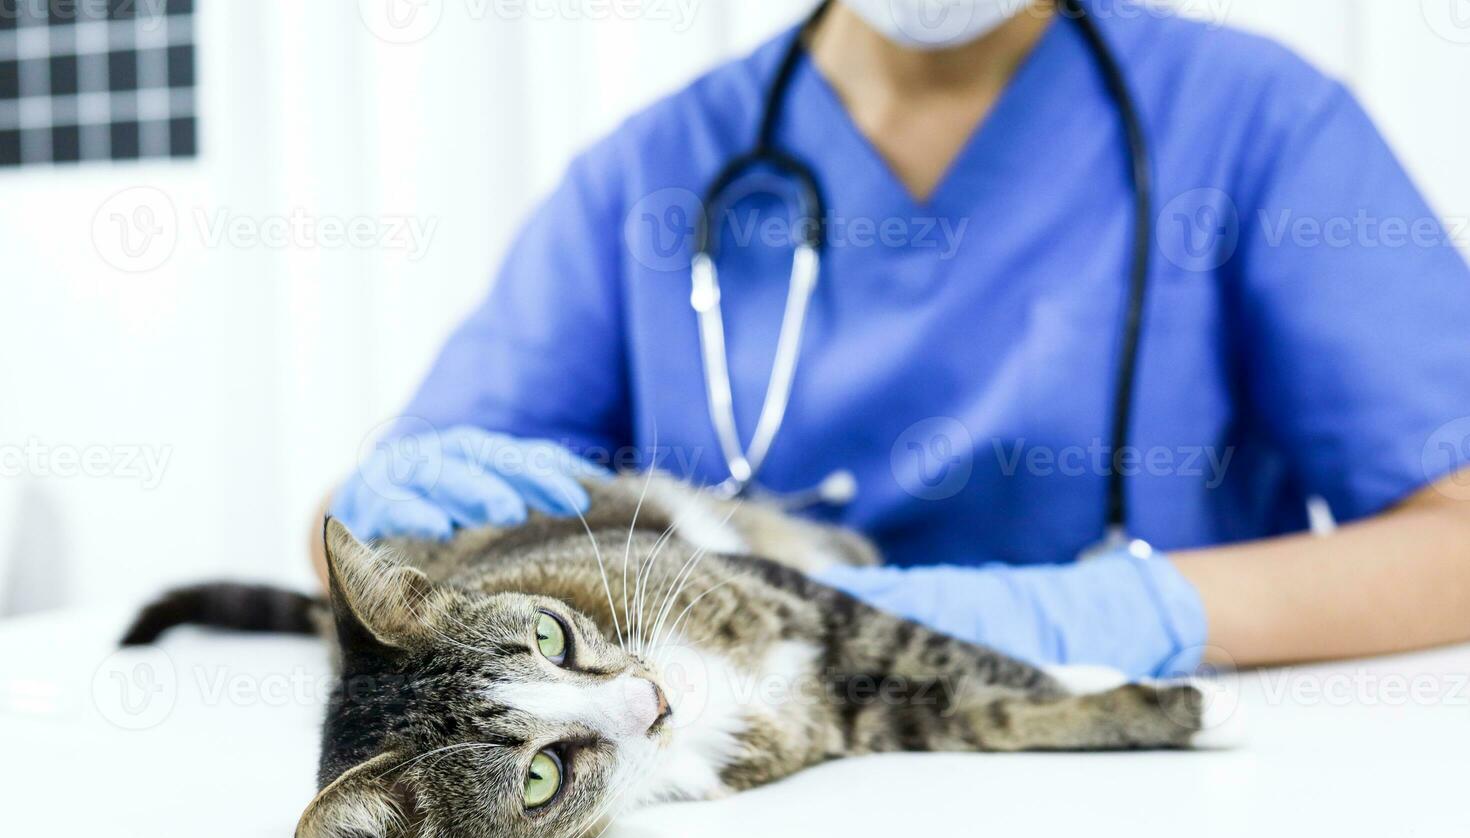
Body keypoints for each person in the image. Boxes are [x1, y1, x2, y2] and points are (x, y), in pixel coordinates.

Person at [320, 0, 1470, 679]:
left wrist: (1124, 616)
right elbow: (389, 555)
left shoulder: (1254, 121)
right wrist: (380, 510)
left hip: (1145, 776)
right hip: (749, 812)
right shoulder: (652, 174)